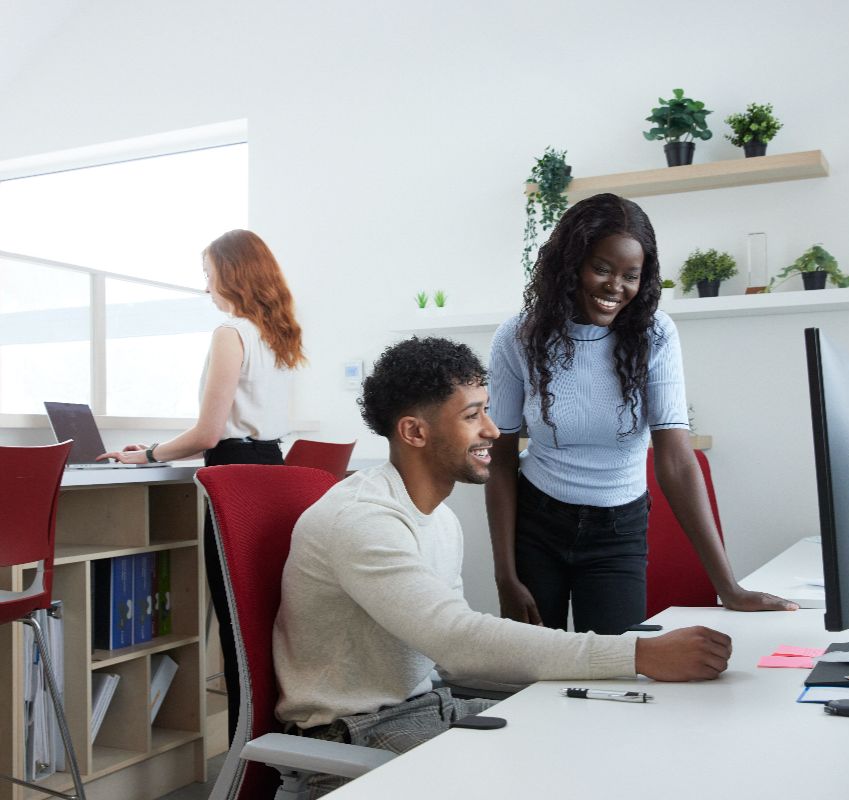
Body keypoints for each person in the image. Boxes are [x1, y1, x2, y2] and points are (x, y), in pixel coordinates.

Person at [273, 336, 731, 792]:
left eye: (486, 411)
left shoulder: (441, 520)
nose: (493, 430)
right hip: (353, 737)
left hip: (434, 708)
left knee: (610, 740)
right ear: (415, 432)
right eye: (472, 416)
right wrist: (639, 655)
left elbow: (452, 661)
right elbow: (457, 640)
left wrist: (594, 684)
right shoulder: (363, 520)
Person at [485, 193, 796, 636]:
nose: (616, 287)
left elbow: (675, 460)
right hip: (537, 526)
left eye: (631, 275)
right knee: (534, 672)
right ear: (568, 263)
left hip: (618, 531)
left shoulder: (655, 334)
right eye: (602, 268)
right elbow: (499, 459)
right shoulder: (518, 336)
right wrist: (505, 574)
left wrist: (727, 586)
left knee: (616, 672)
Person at [99, 229, 305, 741]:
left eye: (208, 273)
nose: (206, 285)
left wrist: (144, 454)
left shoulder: (230, 332)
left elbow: (209, 433)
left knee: (237, 630)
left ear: (230, 274)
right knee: (265, 627)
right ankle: (277, 753)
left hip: (234, 478)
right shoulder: (278, 334)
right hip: (272, 475)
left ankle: (244, 756)